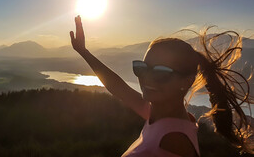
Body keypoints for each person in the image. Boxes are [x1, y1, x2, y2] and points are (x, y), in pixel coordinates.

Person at [69, 15, 254, 156]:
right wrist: (84, 52)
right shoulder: (158, 113)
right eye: (141, 68)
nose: (147, 79)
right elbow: (120, 89)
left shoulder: (174, 140)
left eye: (160, 73)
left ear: (187, 81)